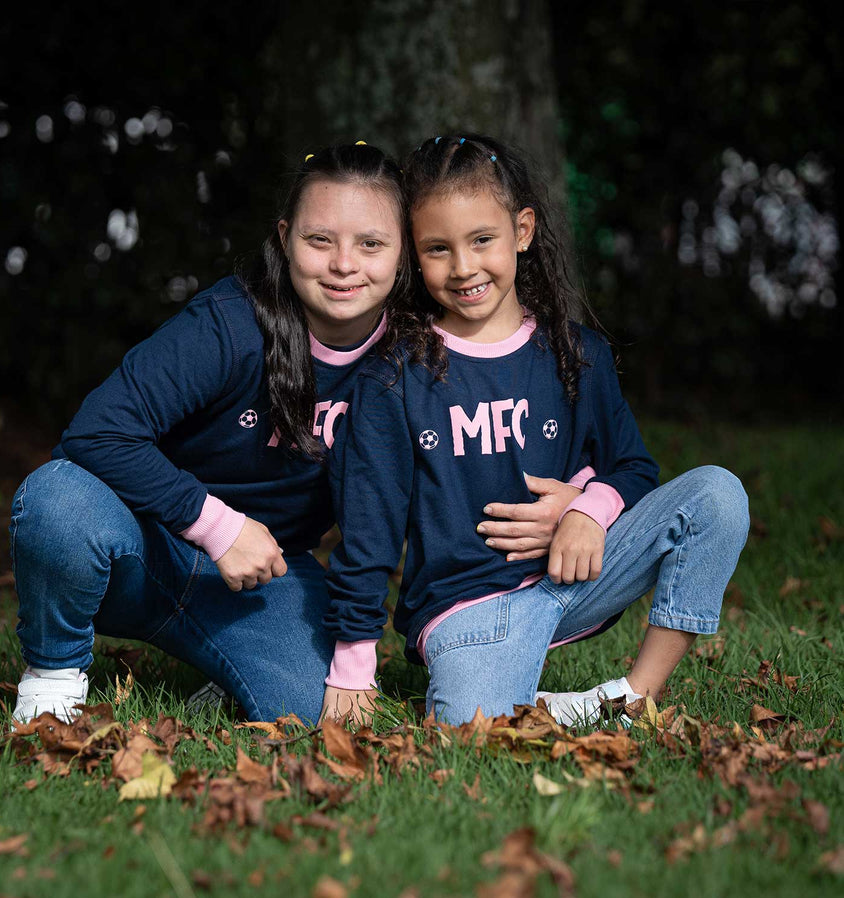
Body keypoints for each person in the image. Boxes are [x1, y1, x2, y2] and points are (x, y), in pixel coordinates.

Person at [320, 134, 750, 727]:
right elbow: (368, 529)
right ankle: (541, 700)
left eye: (482, 240)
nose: (464, 267)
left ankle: (634, 699)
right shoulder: (396, 376)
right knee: (476, 730)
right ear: (413, 256)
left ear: (521, 232)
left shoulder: (576, 353)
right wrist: (352, 667)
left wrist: (586, 509)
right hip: (467, 611)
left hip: (570, 577)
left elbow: (635, 469)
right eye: (438, 249)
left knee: (717, 495)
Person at [9, 142, 414, 725]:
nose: (343, 264)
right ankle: (53, 673)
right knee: (56, 498)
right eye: (319, 239)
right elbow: (96, 434)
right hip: (147, 545)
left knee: (310, 711)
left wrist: (586, 491)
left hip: (263, 576)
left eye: (371, 243)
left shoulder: (412, 360)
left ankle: (224, 666)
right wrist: (217, 525)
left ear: (402, 252)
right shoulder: (229, 323)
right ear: (284, 237)